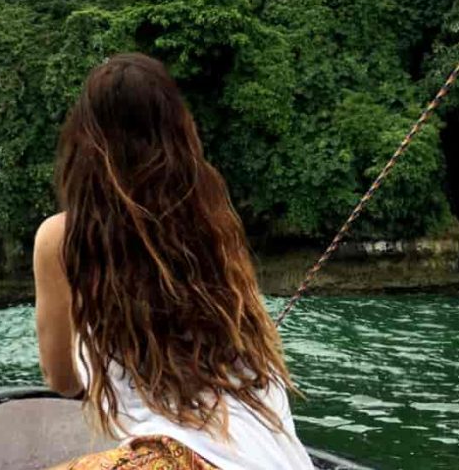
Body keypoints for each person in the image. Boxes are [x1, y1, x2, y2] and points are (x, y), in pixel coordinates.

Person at [33, 53, 315, 470]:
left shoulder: (61, 239)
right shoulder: (210, 214)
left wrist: (93, 368)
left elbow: (60, 379)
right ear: (179, 129)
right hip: (279, 457)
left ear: (85, 138)